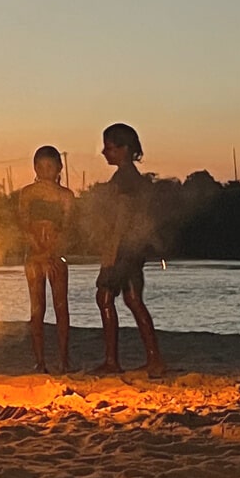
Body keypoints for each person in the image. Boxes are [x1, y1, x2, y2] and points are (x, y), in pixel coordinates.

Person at [93, 122, 161, 374]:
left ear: (123, 149)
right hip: (135, 247)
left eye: (109, 148)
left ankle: (112, 361)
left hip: (124, 248)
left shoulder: (124, 178)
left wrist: (112, 248)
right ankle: (155, 359)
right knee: (133, 299)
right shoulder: (134, 178)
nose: (104, 152)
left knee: (105, 296)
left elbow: (123, 215)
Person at [16, 146, 74, 372]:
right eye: (40, 167)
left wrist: (51, 253)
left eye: (50, 167)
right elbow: (24, 225)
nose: (45, 171)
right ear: (34, 168)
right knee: (37, 308)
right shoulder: (27, 193)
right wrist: (39, 253)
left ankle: (63, 359)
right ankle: (39, 361)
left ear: (59, 168)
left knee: (61, 306)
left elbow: (67, 228)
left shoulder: (65, 196)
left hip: (56, 255)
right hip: (34, 256)